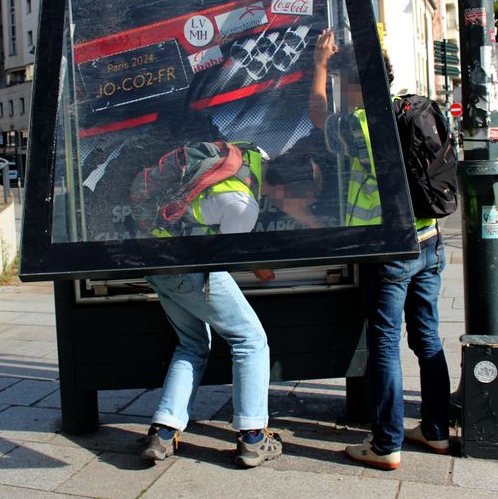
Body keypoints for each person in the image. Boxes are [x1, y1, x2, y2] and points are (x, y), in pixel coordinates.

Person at [308, 29, 450, 471]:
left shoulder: (360, 124)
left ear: (356, 83)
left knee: (384, 344)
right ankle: (436, 429)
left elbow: (316, 115)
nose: (340, 91)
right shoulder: (405, 110)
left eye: (343, 83)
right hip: (429, 240)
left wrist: (318, 65)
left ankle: (386, 443)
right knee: (427, 336)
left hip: (389, 250)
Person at [139, 144, 321, 468]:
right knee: (250, 340)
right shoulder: (244, 203)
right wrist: (257, 266)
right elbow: (229, 253)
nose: (303, 206)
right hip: (188, 268)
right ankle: (252, 438)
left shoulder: (252, 154)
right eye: (303, 199)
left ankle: (163, 432)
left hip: (154, 261)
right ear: (286, 189)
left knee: (192, 345)